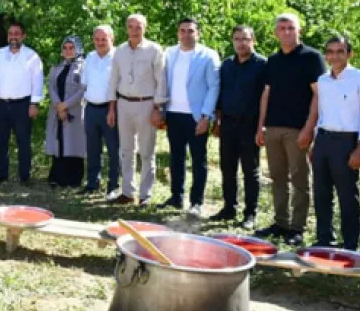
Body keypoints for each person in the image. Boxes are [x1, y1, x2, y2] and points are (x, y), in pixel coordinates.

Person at [255, 13, 325, 246]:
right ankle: (280, 222)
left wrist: (309, 128)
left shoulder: (312, 58)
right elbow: (266, 95)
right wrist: (260, 127)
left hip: (298, 129)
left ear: (299, 31)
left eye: (291, 28)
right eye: (282, 28)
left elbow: (319, 95)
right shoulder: (272, 60)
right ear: (276, 32)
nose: (286, 32)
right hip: (273, 128)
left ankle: (297, 227)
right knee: (277, 178)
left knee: (299, 179)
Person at [311, 36, 360, 251]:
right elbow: (322, 112)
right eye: (330, 52)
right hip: (324, 139)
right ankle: (324, 239)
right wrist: (315, 140)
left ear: (349, 53)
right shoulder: (322, 80)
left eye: (340, 51)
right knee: (321, 192)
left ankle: (349, 244)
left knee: (347, 195)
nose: (334, 56)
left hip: (348, 141)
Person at [161, 18, 220, 218]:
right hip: (173, 114)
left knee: (198, 160)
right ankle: (176, 197)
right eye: (183, 30)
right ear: (178, 33)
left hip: (196, 117)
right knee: (176, 158)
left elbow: (214, 87)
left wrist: (206, 116)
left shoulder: (208, 55)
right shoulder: (169, 54)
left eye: (191, 31)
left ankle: (196, 202)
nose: (186, 34)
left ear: (198, 33)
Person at [106, 14, 167, 205]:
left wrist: (158, 107)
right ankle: (127, 192)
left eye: (138, 26)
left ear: (145, 28)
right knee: (126, 150)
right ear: (126, 28)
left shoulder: (154, 50)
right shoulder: (120, 51)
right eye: (130, 26)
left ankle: (145, 195)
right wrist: (112, 107)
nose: (134, 30)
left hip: (146, 104)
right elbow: (114, 80)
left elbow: (161, 81)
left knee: (147, 151)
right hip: (124, 104)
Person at [213, 25, 266, 228]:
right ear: (232, 41)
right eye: (237, 39)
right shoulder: (227, 65)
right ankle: (228, 208)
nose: (241, 43)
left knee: (250, 171)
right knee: (228, 168)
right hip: (228, 123)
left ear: (253, 40)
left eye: (245, 39)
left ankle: (250, 214)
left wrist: (262, 127)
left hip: (250, 124)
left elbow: (266, 97)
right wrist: (217, 121)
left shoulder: (262, 65)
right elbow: (220, 95)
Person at [0, 21, 44, 184]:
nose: (13, 37)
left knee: (23, 141)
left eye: (17, 33)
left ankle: (24, 176)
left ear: (23, 36)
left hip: (22, 105)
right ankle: (2, 173)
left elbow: (37, 82)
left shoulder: (32, 56)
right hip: (0, 103)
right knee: (0, 140)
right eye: (11, 34)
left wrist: (34, 104)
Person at [81, 25, 119, 195]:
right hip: (91, 109)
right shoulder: (89, 57)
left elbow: (119, 87)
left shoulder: (118, 57)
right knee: (92, 148)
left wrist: (112, 109)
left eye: (104, 39)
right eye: (97, 39)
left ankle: (113, 185)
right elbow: (85, 82)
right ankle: (92, 183)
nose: (100, 42)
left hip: (110, 109)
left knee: (113, 149)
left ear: (112, 39)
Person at [44, 36, 86, 188]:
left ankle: (73, 179)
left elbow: (83, 90)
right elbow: (51, 87)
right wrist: (58, 105)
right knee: (59, 143)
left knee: (73, 144)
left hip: (75, 110)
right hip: (57, 111)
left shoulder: (84, 67)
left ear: (78, 49)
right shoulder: (57, 67)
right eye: (65, 48)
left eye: (71, 47)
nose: (68, 51)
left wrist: (66, 105)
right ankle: (57, 177)